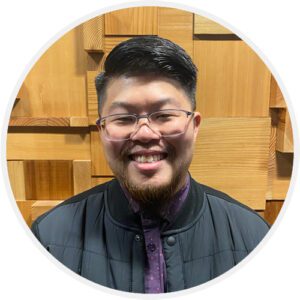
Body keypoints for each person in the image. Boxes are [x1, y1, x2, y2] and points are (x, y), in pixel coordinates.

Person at [31, 36, 269, 293]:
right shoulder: (48, 240)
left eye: (164, 115)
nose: (145, 134)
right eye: (123, 118)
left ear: (195, 126)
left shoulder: (254, 238)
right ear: (102, 130)